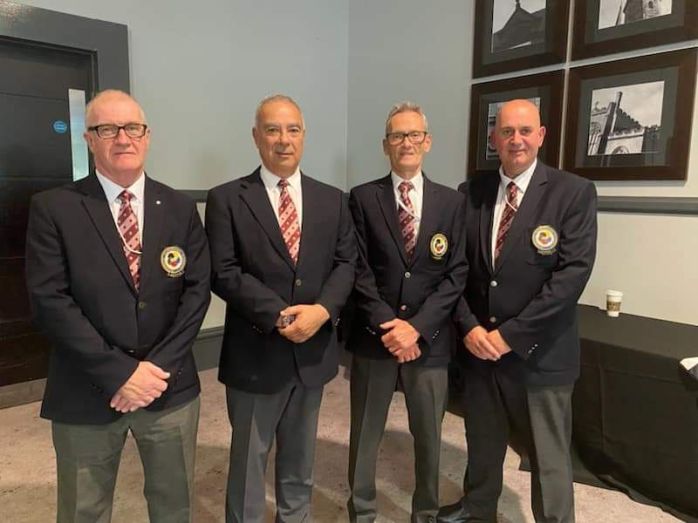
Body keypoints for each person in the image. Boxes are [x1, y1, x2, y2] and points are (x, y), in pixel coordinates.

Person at [25, 89, 211, 522]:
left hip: (167, 388)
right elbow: (50, 301)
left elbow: (197, 292)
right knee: (83, 511)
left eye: (132, 128)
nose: (123, 138)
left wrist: (154, 371)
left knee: (174, 506)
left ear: (147, 136)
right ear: (89, 139)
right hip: (85, 389)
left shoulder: (180, 208)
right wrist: (120, 374)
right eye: (107, 129)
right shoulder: (55, 208)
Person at [437, 99, 597, 523]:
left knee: (548, 455)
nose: (516, 140)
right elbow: (457, 269)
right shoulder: (470, 193)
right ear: (494, 139)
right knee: (482, 440)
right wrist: (469, 327)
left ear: (541, 135)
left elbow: (571, 277)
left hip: (541, 352)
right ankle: (478, 509)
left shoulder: (573, 192)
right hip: (480, 348)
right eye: (507, 131)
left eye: (525, 131)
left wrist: (510, 335)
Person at [205, 94, 356, 523]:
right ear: (256, 137)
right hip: (256, 352)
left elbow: (347, 264)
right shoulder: (227, 199)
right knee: (249, 462)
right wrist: (280, 314)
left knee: (300, 458)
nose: (283, 140)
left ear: (304, 136)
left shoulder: (333, 199)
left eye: (292, 130)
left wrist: (322, 311)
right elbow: (223, 271)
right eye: (272, 130)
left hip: (313, 351)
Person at [346, 102, 468, 523]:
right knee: (365, 431)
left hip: (429, 341)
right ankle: (362, 511)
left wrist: (416, 328)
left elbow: (456, 273)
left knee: (429, 434)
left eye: (414, 135)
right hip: (375, 337)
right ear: (385, 145)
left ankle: (426, 511)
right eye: (397, 136)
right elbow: (357, 270)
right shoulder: (363, 198)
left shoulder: (452, 203)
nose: (406, 143)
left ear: (427, 142)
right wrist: (390, 327)